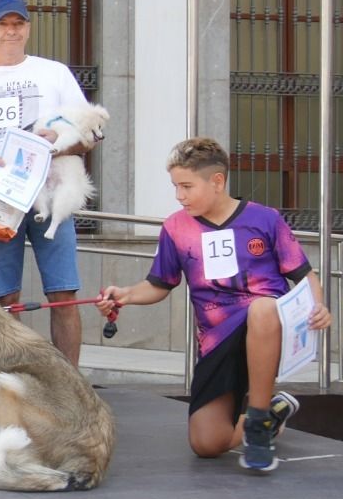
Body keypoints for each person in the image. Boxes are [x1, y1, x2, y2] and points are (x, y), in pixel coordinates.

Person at [98, 138, 332, 472]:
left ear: (217, 181)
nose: (179, 196)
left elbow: (305, 274)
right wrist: (125, 294)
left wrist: (319, 305)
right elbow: (159, 284)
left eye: (187, 186)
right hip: (215, 341)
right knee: (207, 445)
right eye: (175, 186)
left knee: (263, 307)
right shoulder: (176, 227)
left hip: (264, 328)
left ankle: (257, 421)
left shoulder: (265, 219)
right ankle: (273, 413)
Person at [0, 0, 96, 365]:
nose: (11, 31)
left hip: (52, 197)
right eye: (3, 25)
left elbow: (90, 135)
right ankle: (3, 380)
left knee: (64, 295)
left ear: (28, 28)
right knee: (2, 298)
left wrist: (53, 147)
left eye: (18, 24)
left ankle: (69, 383)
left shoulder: (55, 73)